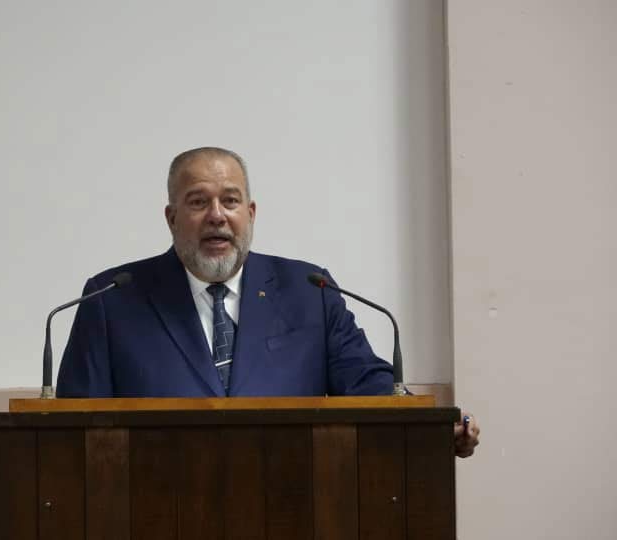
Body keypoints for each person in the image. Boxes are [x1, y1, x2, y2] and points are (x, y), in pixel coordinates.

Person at [56, 147, 479, 457]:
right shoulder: (112, 299)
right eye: (199, 201)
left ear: (251, 213)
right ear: (171, 218)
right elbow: (73, 432)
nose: (217, 216)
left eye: (231, 200)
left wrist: (436, 429)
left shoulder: (311, 290)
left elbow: (370, 388)